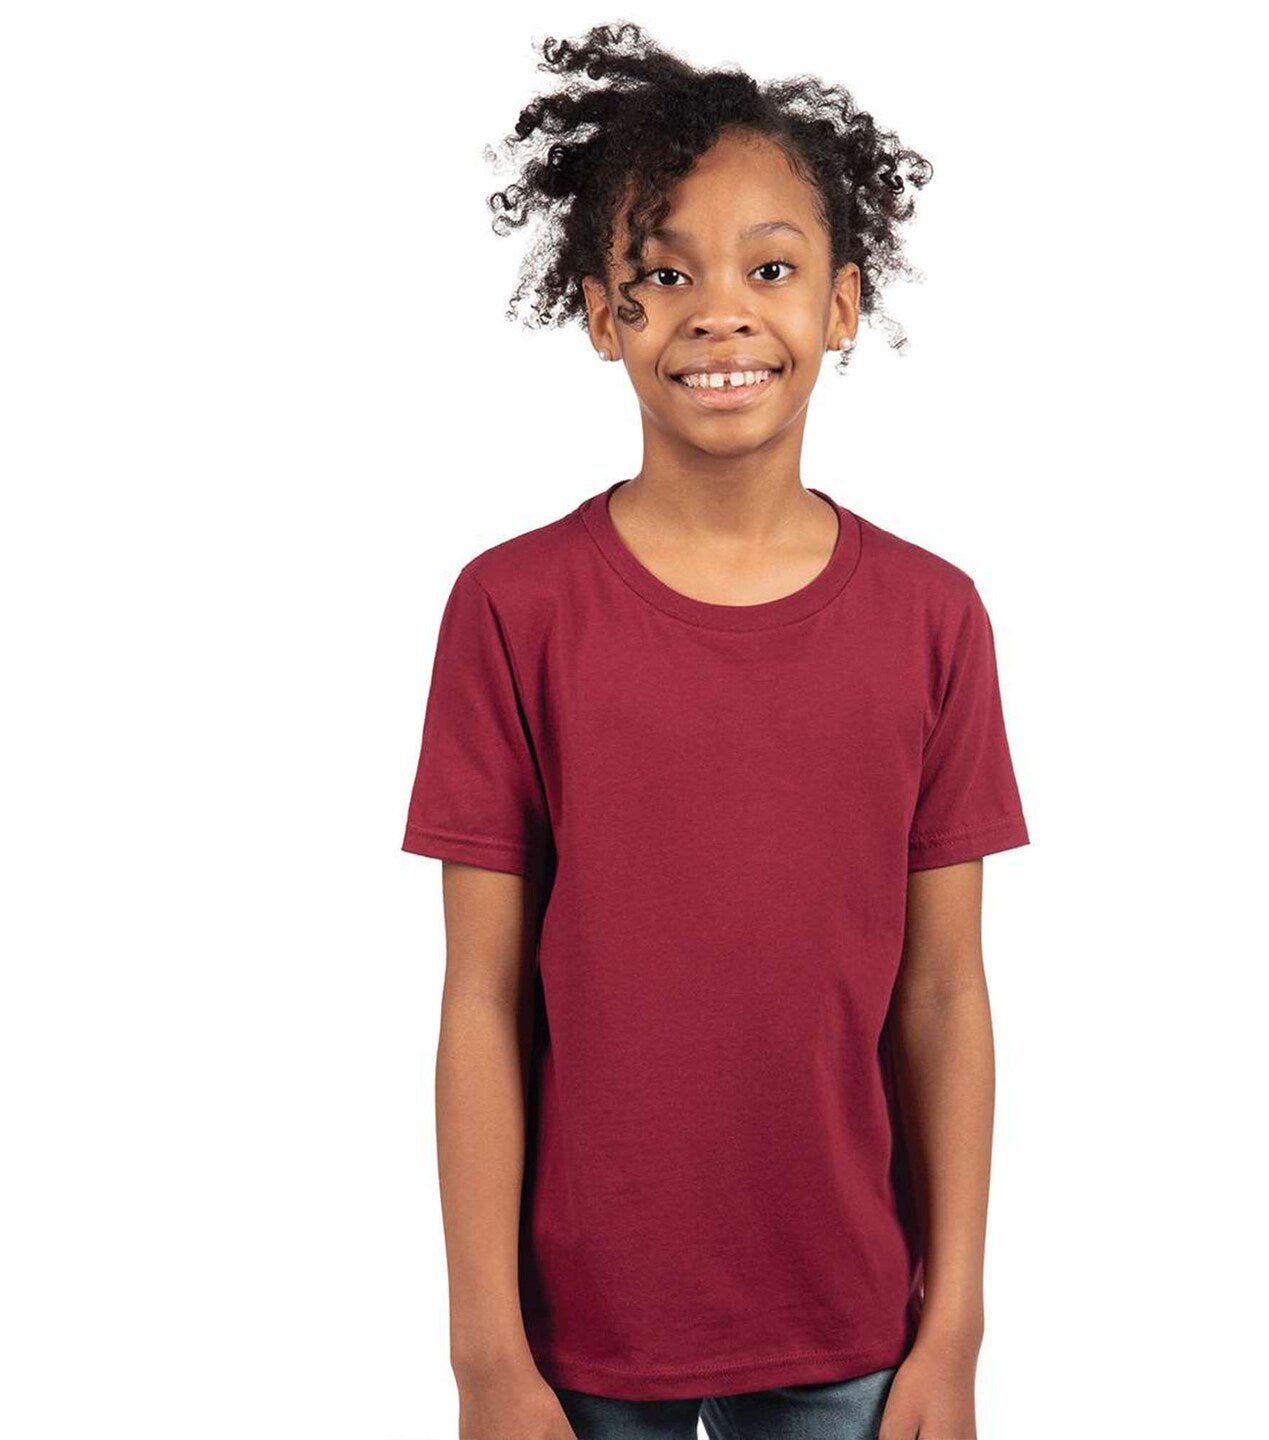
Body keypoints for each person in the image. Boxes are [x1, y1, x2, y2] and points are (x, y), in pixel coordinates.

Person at [401, 23, 1031, 1440]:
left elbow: (943, 996)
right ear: (601, 313)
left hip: (851, 1325)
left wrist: (955, 1335)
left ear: (845, 303)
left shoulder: (933, 619)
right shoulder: (513, 609)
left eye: (772, 270)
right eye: (666, 273)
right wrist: (485, 1356)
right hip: (576, 1334)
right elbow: (481, 1000)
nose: (720, 313)